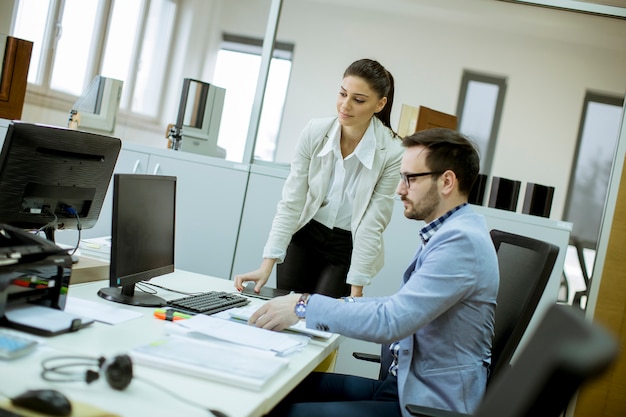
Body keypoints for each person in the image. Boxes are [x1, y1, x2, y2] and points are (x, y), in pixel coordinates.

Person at [248, 128, 500, 417]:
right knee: (277, 386)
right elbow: (398, 305)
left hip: (423, 404)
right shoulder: (451, 232)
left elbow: (391, 321)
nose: (399, 189)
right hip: (403, 385)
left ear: (446, 181)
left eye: (410, 178)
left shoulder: (461, 243)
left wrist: (304, 306)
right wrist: (325, 303)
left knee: (281, 410)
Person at [234, 58, 403, 298]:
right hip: (306, 234)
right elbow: (292, 201)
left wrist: (356, 292)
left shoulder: (393, 151)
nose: (345, 105)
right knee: (284, 310)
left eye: (358, 100)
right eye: (342, 94)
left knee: (321, 321)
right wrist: (266, 265)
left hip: (347, 246)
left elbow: (372, 223)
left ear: (380, 104)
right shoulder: (315, 132)